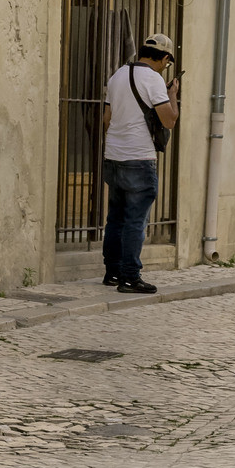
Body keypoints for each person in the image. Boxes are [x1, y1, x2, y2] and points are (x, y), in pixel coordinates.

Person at [101, 32, 179, 294]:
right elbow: (169, 120)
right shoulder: (154, 80)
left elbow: (106, 119)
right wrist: (173, 95)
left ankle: (111, 272)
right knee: (136, 220)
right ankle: (130, 277)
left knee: (116, 218)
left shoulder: (117, 75)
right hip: (139, 157)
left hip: (114, 155)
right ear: (165, 58)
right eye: (168, 63)